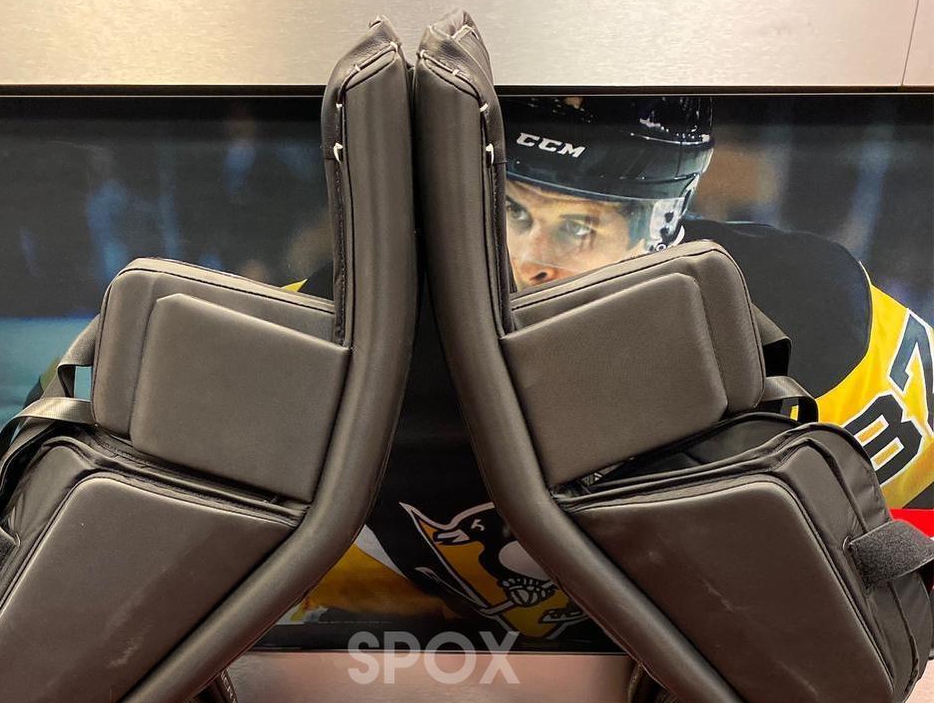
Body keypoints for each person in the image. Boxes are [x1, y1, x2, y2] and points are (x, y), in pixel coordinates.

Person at [294, 95, 933, 645]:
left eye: (579, 227)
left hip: (703, 699)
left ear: (660, 230)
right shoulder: (344, 326)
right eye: (514, 212)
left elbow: (907, 535)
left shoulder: (819, 323)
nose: (530, 261)